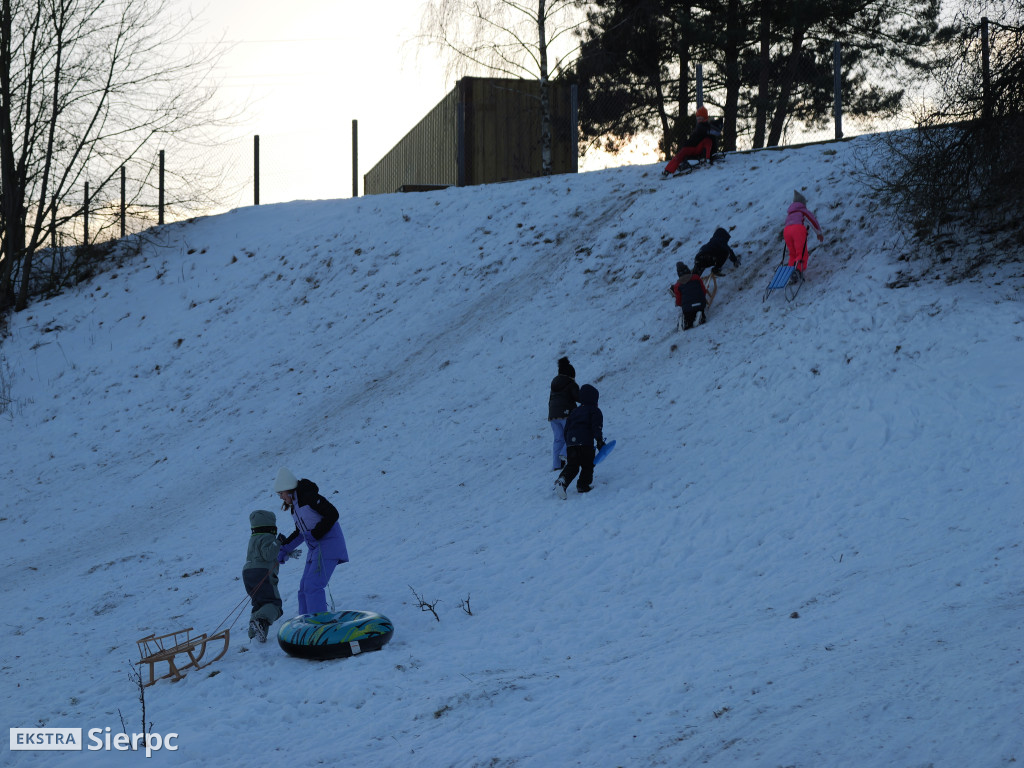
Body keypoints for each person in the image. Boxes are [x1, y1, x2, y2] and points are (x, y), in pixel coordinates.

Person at [274, 467, 349, 615]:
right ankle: (306, 624)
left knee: (313, 585)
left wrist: (316, 533)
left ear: (288, 488)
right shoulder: (295, 508)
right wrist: (283, 549)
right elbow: (300, 533)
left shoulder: (308, 497)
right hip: (315, 550)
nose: (281, 497)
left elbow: (332, 513)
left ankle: (319, 626)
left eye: (281, 493)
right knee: (304, 588)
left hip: (329, 546)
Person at [553, 384, 605, 499]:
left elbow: (566, 429)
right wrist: (600, 441)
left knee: (573, 465)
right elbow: (596, 427)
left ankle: (562, 481)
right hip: (585, 444)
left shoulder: (574, 412)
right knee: (588, 465)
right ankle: (583, 485)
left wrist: (569, 443)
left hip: (571, 444)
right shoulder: (595, 411)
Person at [242, 509, 285, 642]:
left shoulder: (253, 538)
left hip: (248, 573)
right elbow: (268, 554)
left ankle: (254, 633)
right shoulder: (268, 537)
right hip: (262, 573)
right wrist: (278, 542)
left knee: (259, 603)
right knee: (274, 604)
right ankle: (260, 621)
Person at [661, 107, 719, 177]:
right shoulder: (701, 126)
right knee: (679, 155)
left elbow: (712, 135)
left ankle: (668, 171)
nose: (698, 119)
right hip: (692, 147)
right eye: (697, 117)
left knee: (680, 155)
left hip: (695, 147)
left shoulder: (704, 126)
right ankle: (668, 170)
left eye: (700, 117)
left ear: (704, 117)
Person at [548, 357, 581, 471]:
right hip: (566, 414)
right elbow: (578, 397)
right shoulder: (570, 383)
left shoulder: (554, 384)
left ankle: (557, 465)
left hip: (553, 416)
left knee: (558, 439)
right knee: (571, 435)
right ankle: (565, 454)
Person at [782, 190, 824, 276]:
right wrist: (819, 233)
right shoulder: (803, 210)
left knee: (792, 253)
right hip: (797, 230)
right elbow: (813, 221)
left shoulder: (790, 213)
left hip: (786, 231)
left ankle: (790, 272)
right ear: (802, 203)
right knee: (801, 252)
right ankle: (797, 271)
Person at [669, 262, 712, 330]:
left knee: (688, 317)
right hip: (700, 303)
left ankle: (685, 322)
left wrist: (681, 304)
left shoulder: (677, 285)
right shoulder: (696, 277)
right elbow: (703, 290)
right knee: (699, 309)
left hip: (688, 307)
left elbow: (679, 301)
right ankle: (701, 317)